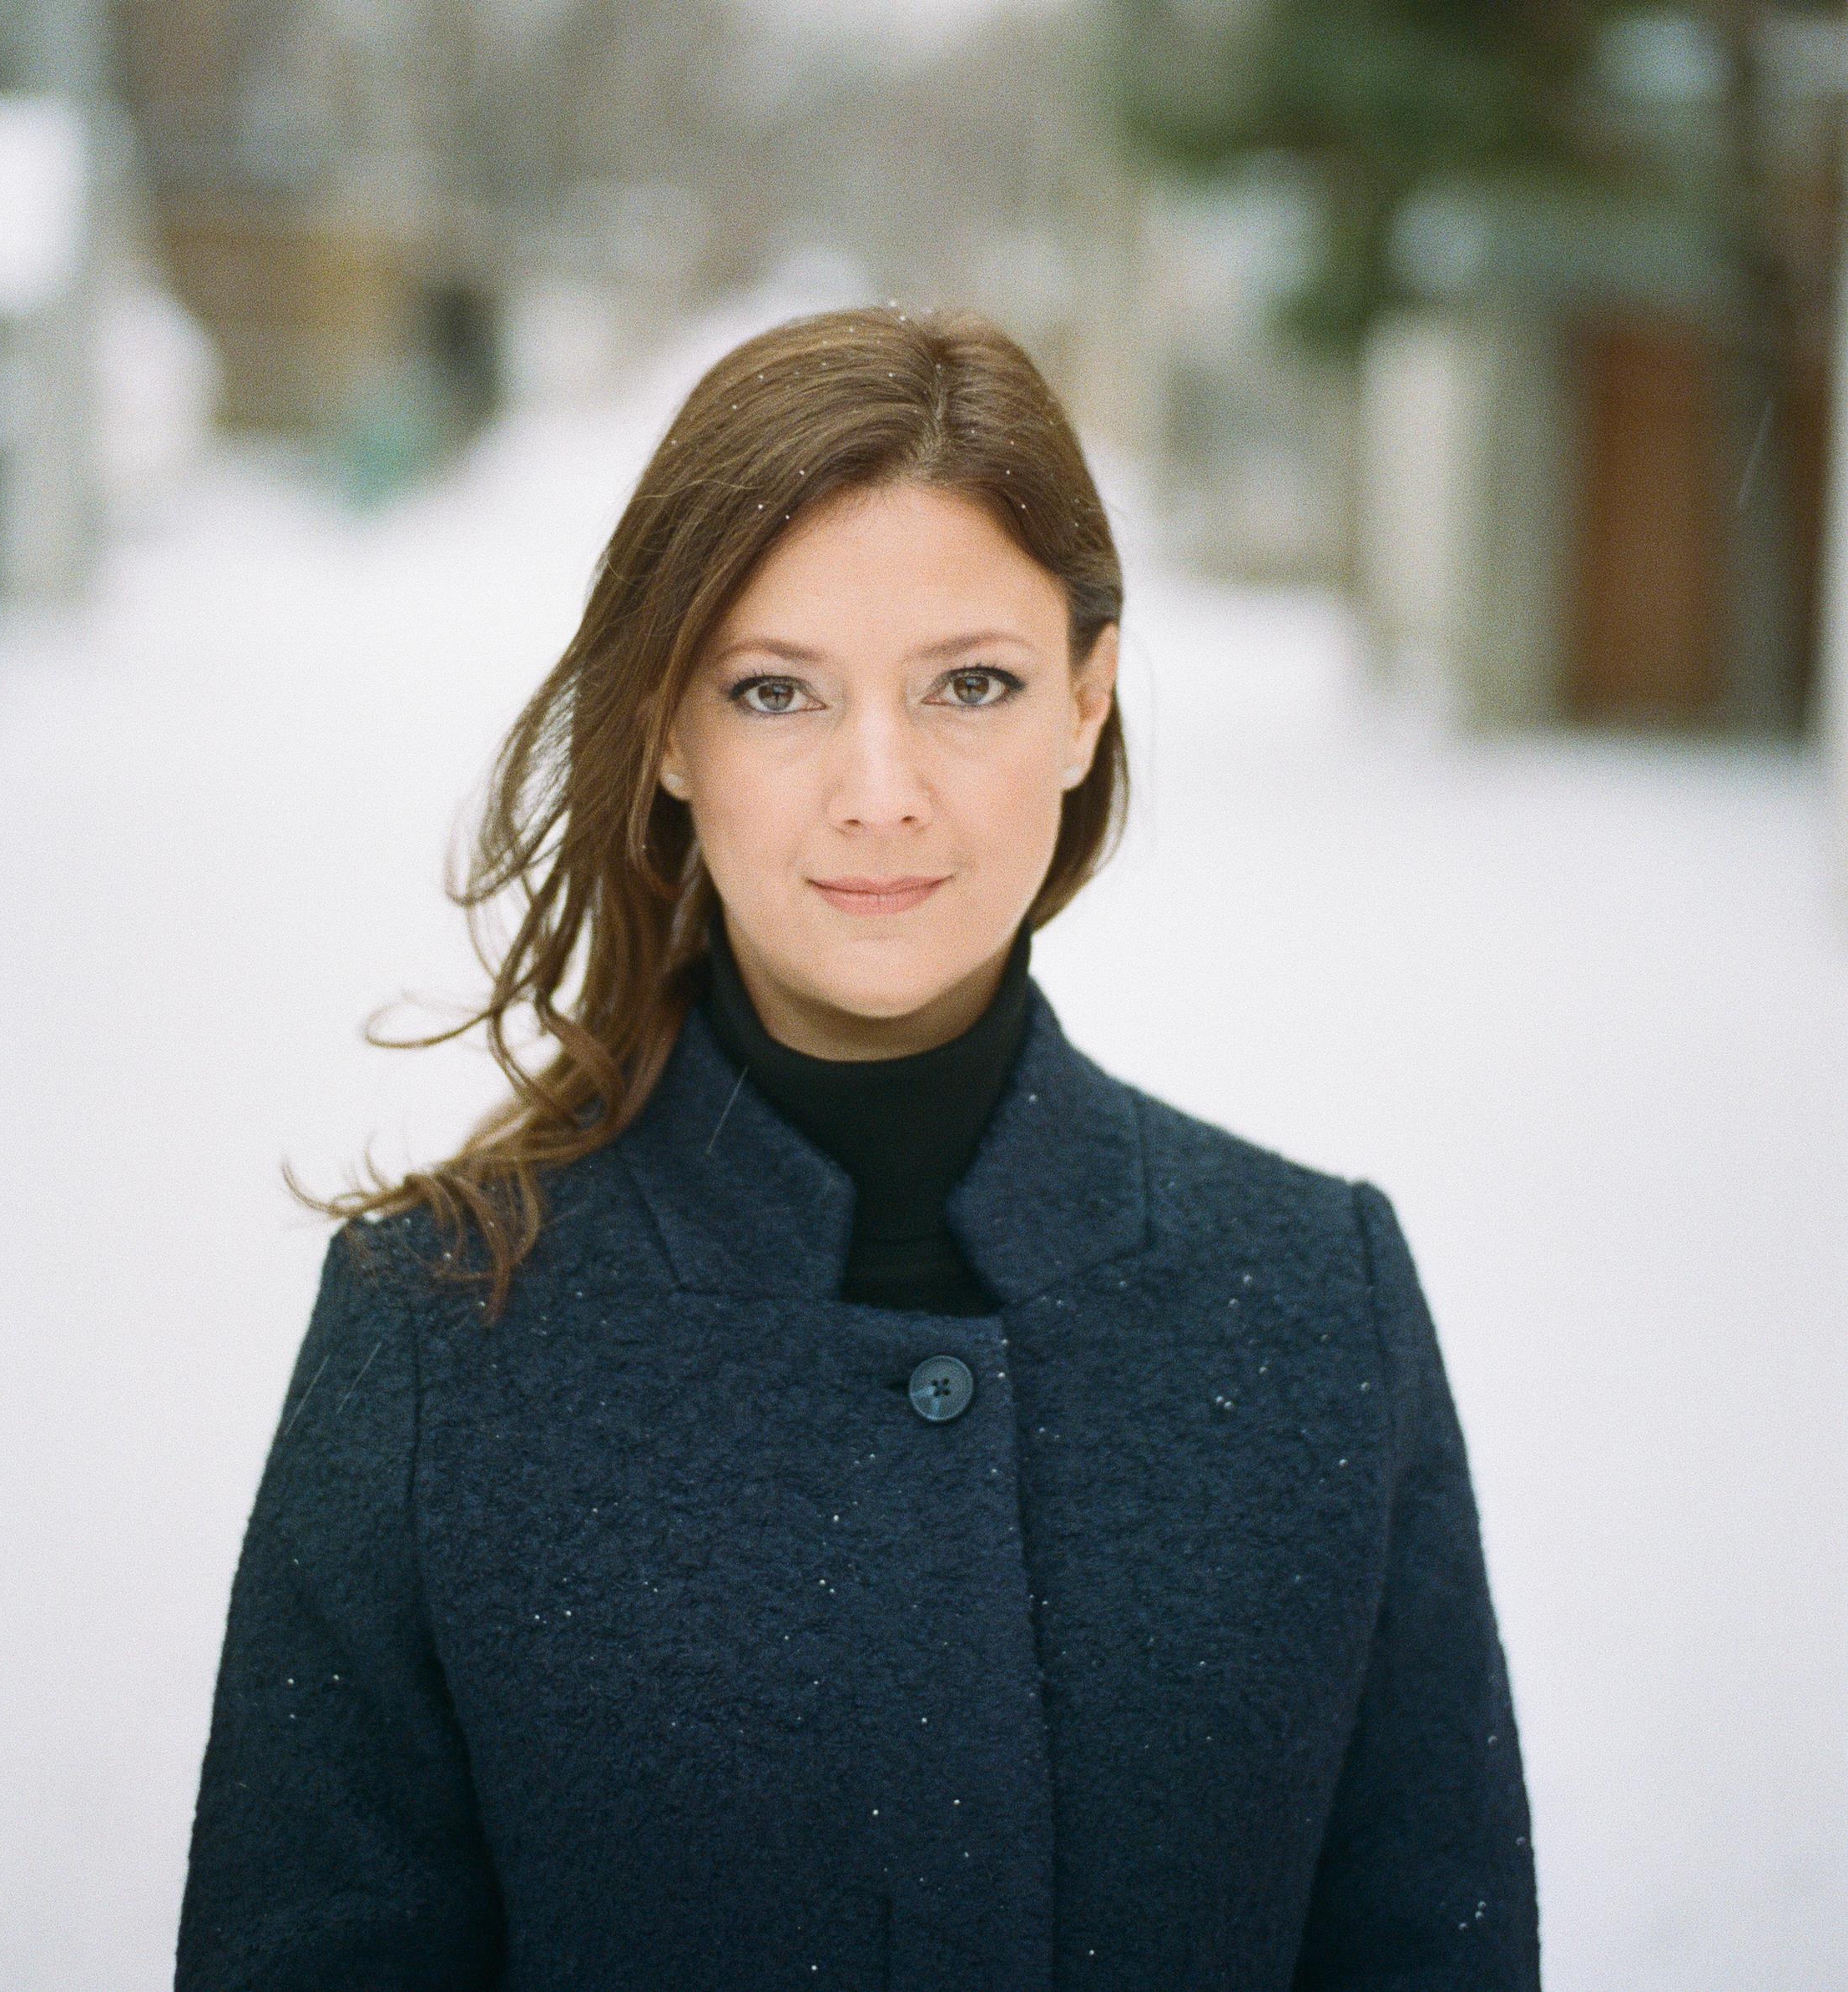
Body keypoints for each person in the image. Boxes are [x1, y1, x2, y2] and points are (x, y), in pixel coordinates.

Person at [175, 303, 1539, 1990]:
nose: (879, 791)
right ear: (668, 730)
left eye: (971, 684)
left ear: (1086, 703)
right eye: (777, 693)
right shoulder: (439, 1328)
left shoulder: (1316, 1304)